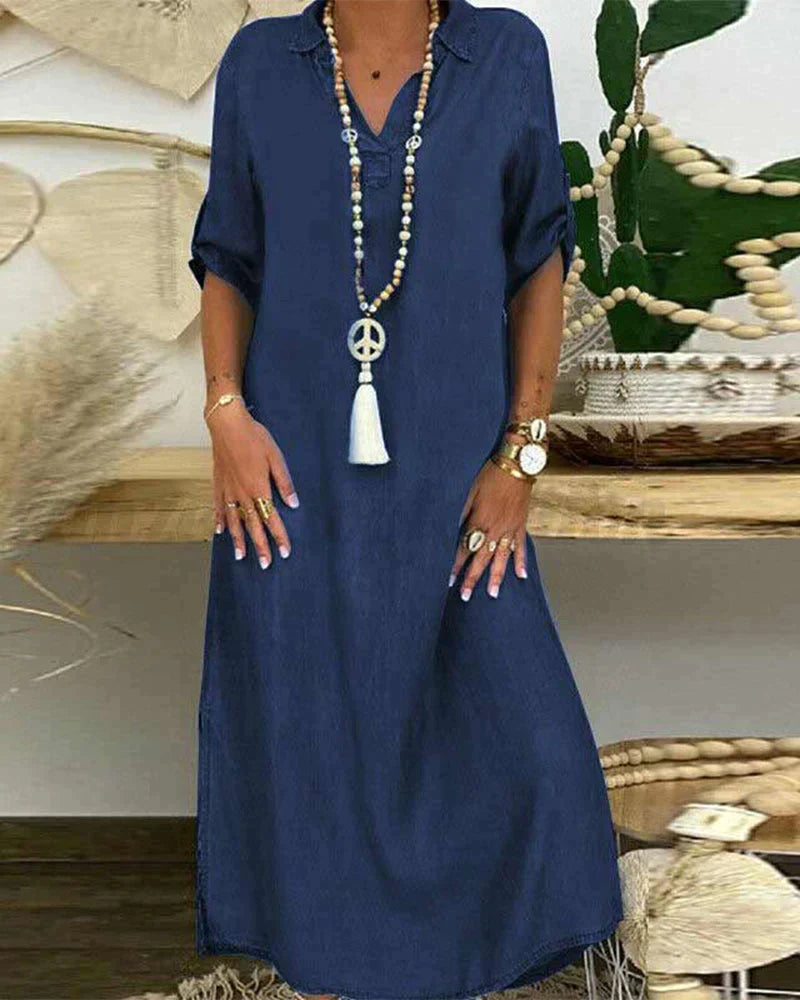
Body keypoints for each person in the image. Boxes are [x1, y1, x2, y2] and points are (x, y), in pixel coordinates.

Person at [187, 1, 623, 999]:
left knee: (522, 734)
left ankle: (451, 966)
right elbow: (228, 255)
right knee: (309, 722)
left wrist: (519, 452)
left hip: (454, 460)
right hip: (288, 462)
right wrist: (225, 415)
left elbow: (539, 257)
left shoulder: (502, 52)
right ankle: (334, 971)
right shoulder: (261, 61)